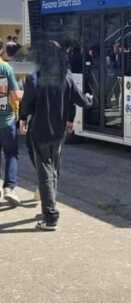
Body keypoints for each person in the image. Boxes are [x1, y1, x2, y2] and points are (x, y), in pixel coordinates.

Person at [19, 41, 92, 231]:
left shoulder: (35, 76)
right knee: (54, 169)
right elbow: (81, 101)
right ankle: (50, 206)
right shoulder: (66, 76)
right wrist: (90, 99)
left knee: (45, 171)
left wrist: (23, 118)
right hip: (58, 132)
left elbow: (26, 102)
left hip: (40, 131)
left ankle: (50, 216)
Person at [0, 39, 23, 205]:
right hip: (6, 121)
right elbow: (15, 95)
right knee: (11, 154)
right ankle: (9, 188)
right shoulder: (5, 68)